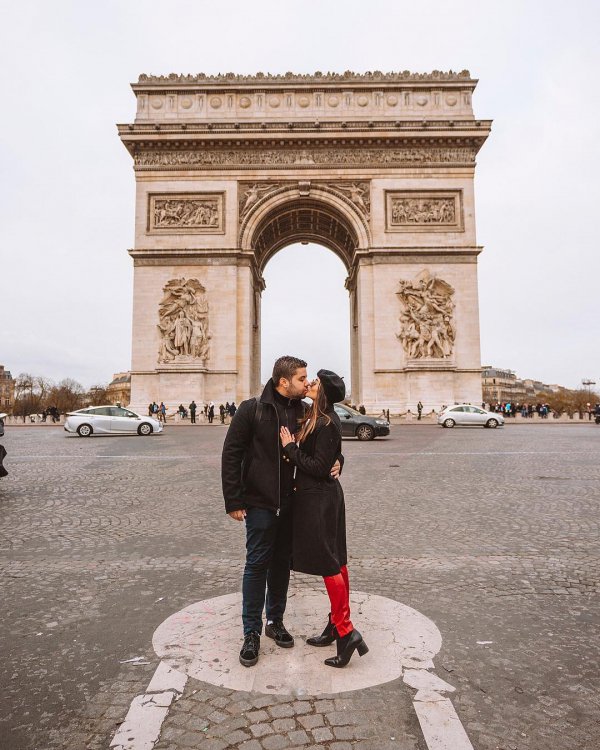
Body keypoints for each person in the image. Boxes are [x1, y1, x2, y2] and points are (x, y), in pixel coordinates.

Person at [221, 356, 342, 668]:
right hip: (261, 503)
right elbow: (231, 454)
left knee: (279, 566)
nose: (307, 383)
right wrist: (233, 500)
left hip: (294, 505)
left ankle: (275, 621)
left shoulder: (303, 411)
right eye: (302, 378)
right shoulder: (251, 409)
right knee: (256, 565)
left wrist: (340, 460)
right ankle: (251, 632)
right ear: (283, 381)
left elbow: (326, 447)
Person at [280, 370, 368, 668]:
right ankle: (336, 625)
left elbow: (319, 465)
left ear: (324, 393)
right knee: (336, 560)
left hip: (320, 500)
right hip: (321, 497)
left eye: (315, 383)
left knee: (330, 562)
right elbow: (331, 454)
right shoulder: (317, 416)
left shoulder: (327, 421)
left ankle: (345, 632)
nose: (310, 384)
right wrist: (338, 459)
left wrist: (290, 448)